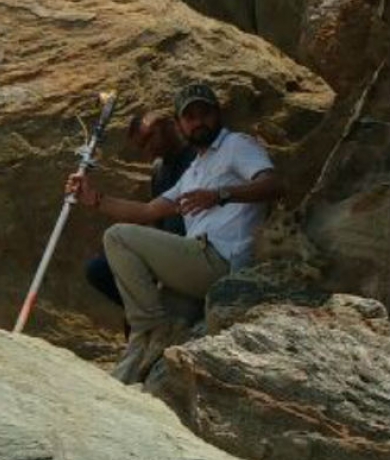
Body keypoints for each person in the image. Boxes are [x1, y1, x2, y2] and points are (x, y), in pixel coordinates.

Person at [66, 84, 284, 384]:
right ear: (180, 124)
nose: (198, 122)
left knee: (118, 238)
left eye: (204, 113)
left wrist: (221, 194)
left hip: (219, 259)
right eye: (190, 117)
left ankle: (154, 326)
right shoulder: (195, 168)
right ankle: (120, 390)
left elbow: (273, 185)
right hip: (194, 271)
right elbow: (147, 212)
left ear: (216, 114)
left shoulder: (236, 145)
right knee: (141, 348)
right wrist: (97, 200)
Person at [83, 112, 196, 335]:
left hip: (193, 249)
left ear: (169, 125)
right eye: (141, 146)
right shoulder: (159, 169)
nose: (148, 150)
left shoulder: (196, 159)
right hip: (166, 250)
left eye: (149, 139)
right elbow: (153, 215)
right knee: (99, 269)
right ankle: (145, 310)